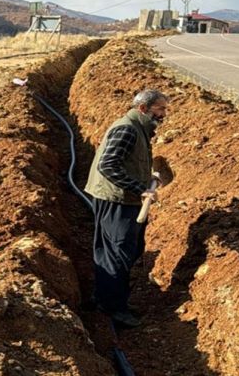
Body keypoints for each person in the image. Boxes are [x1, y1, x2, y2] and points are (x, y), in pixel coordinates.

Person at [84, 89, 169, 327]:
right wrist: (139, 187)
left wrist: (146, 177)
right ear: (143, 108)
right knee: (117, 253)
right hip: (116, 200)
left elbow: (125, 161)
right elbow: (108, 165)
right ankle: (112, 308)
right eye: (160, 109)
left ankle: (108, 298)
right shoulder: (127, 129)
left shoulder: (138, 128)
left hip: (124, 198)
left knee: (129, 249)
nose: (163, 115)